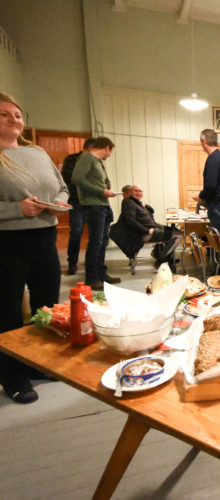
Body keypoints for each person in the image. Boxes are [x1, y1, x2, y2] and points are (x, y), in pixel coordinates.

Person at [0, 92, 70, 404]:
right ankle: (13, 376)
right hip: (7, 241)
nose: (13, 119)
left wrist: (60, 203)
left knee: (47, 307)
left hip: (44, 236)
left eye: (16, 114)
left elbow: (62, 186)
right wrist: (17, 209)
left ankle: (40, 364)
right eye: (4, 114)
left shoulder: (37, 151)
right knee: (8, 312)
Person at [71, 136, 121, 291]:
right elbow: (76, 178)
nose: (109, 155)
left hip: (102, 205)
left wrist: (107, 191)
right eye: (110, 152)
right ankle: (91, 279)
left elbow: (99, 181)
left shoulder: (97, 162)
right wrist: (102, 191)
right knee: (96, 242)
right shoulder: (87, 158)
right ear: (106, 147)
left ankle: (101, 274)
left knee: (103, 242)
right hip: (93, 206)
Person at [109, 184, 183, 270]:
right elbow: (131, 221)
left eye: (140, 191)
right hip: (143, 234)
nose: (138, 193)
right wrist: (146, 231)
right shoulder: (128, 202)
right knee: (178, 235)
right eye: (136, 191)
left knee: (175, 231)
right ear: (130, 193)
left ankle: (162, 257)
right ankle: (161, 260)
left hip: (151, 230)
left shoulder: (136, 202)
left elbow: (151, 210)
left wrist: (144, 205)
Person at [61, 137, 95, 275]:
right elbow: (66, 182)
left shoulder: (97, 162)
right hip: (77, 202)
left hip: (95, 204)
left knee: (96, 236)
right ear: (88, 148)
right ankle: (72, 263)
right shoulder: (72, 159)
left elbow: (106, 182)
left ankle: (92, 263)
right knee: (76, 232)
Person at [192, 129, 220, 235]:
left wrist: (200, 196)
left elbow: (210, 186)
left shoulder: (213, 159)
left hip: (219, 207)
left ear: (204, 141)